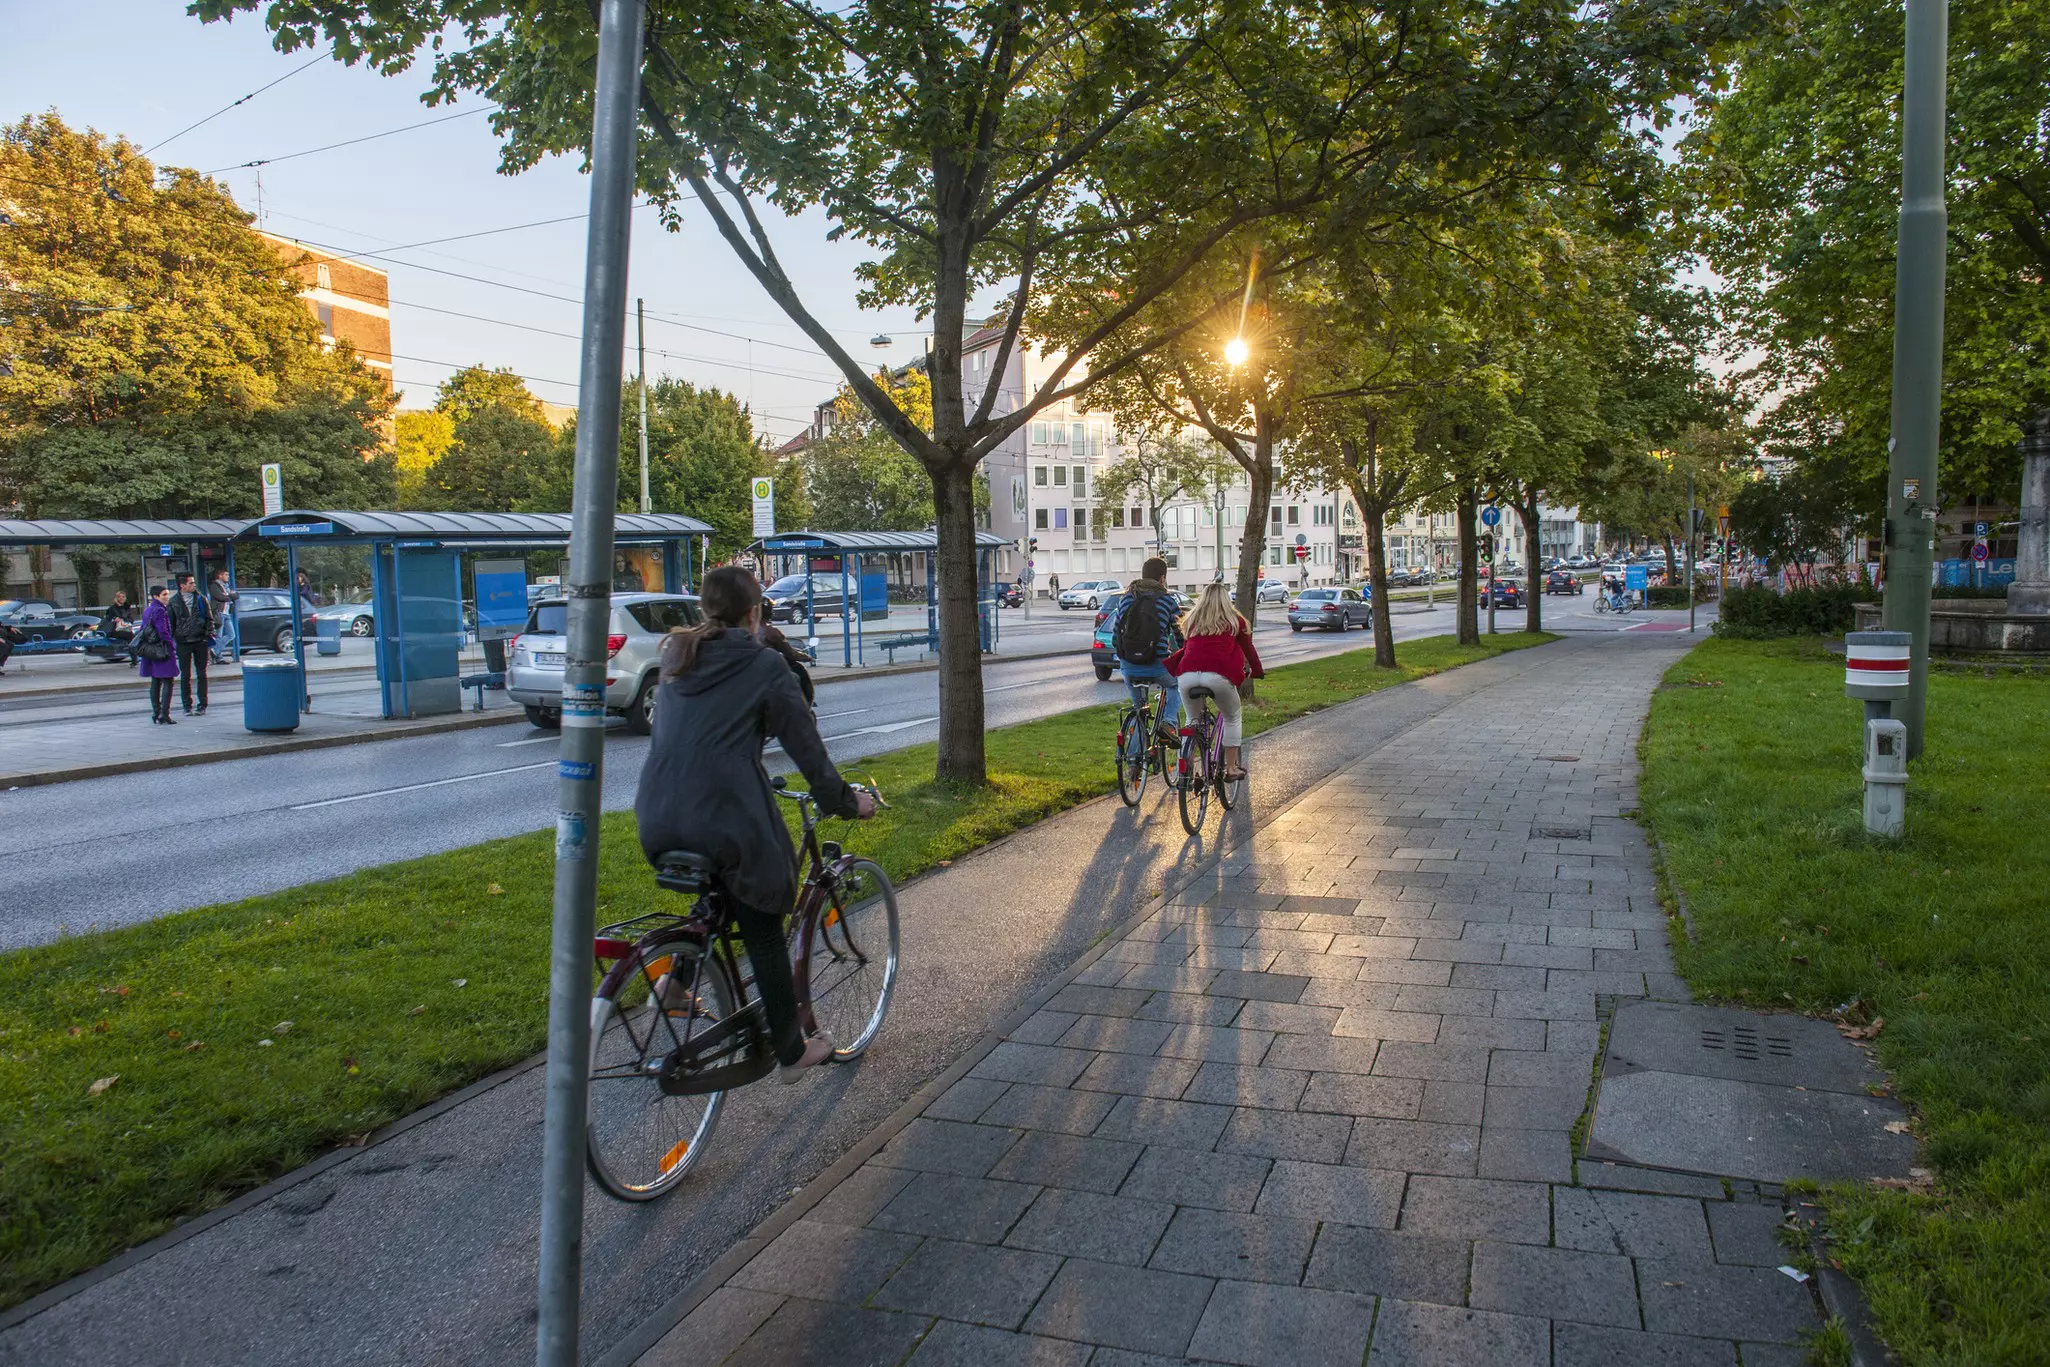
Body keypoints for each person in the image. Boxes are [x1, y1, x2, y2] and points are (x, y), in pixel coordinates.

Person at [633, 566, 877, 1083]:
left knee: (719, 893)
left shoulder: (677, 656)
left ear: (705, 611)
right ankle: (791, 1051)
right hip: (722, 811)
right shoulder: (764, 664)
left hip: (658, 813)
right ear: (755, 613)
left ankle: (675, 983)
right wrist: (844, 801)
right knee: (764, 915)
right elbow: (806, 750)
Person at [1165, 581, 1265, 782]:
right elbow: (1249, 652)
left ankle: (1185, 769)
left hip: (1187, 675)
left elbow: (1191, 649)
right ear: (1226, 601)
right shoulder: (1235, 622)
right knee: (1232, 717)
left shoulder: (1191, 621)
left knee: (1191, 720)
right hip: (1219, 675)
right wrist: (1257, 671)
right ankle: (1230, 768)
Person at [1108, 556, 1184, 754]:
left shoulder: (1126, 598)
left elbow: (1117, 633)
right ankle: (1167, 724)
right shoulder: (1168, 600)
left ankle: (1133, 764)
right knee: (1177, 685)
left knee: (1138, 710)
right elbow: (1179, 633)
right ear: (1162, 578)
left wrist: (1123, 657)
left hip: (1129, 665)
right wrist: (1183, 652)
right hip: (1157, 664)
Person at [166, 573, 214, 715]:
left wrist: (206, 635)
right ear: (183, 586)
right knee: (185, 675)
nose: (194, 585)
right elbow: (171, 623)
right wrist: (175, 639)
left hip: (200, 640)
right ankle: (187, 705)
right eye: (191, 583)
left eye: (193, 583)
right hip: (183, 642)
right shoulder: (174, 602)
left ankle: (202, 704)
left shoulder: (201, 599)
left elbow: (209, 619)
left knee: (201, 673)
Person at [136, 586, 180, 722]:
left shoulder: (148, 609)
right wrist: (171, 645)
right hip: (162, 649)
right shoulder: (160, 610)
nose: (167, 596)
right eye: (164, 594)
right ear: (156, 596)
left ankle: (156, 712)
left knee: (155, 681)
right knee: (168, 681)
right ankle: (164, 714)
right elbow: (163, 631)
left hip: (150, 650)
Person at [207, 569, 238, 657]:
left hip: (227, 613)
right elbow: (220, 597)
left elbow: (236, 595)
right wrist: (229, 596)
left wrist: (228, 596)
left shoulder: (227, 586)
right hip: (219, 613)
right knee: (218, 636)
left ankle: (214, 651)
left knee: (231, 635)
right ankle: (218, 657)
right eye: (226, 575)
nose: (228, 576)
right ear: (220, 576)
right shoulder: (214, 586)